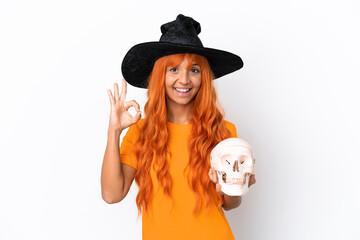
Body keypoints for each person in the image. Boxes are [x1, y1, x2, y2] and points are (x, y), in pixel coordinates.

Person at [101, 14, 256, 240]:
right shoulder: (140, 133)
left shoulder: (223, 131)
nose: (184, 80)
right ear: (159, 75)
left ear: (203, 77)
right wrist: (114, 131)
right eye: (173, 69)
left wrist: (232, 188)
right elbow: (111, 194)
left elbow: (231, 204)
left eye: (194, 70)